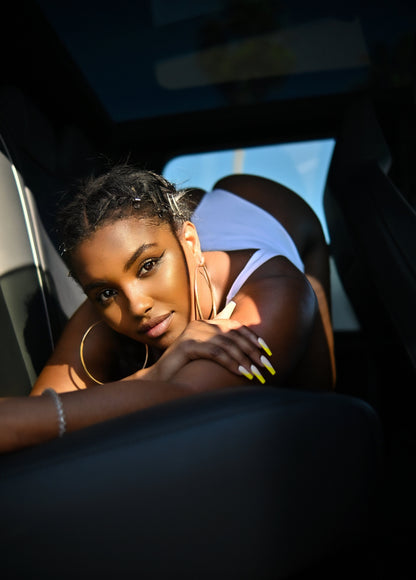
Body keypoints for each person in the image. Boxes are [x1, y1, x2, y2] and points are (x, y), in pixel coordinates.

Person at [0, 165, 335, 453]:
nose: (136, 305)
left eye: (147, 266)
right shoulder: (110, 296)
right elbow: (35, 415)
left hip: (268, 207)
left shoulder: (274, 288)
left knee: (320, 400)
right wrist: (154, 373)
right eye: (105, 293)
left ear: (190, 242)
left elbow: (185, 397)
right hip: (174, 227)